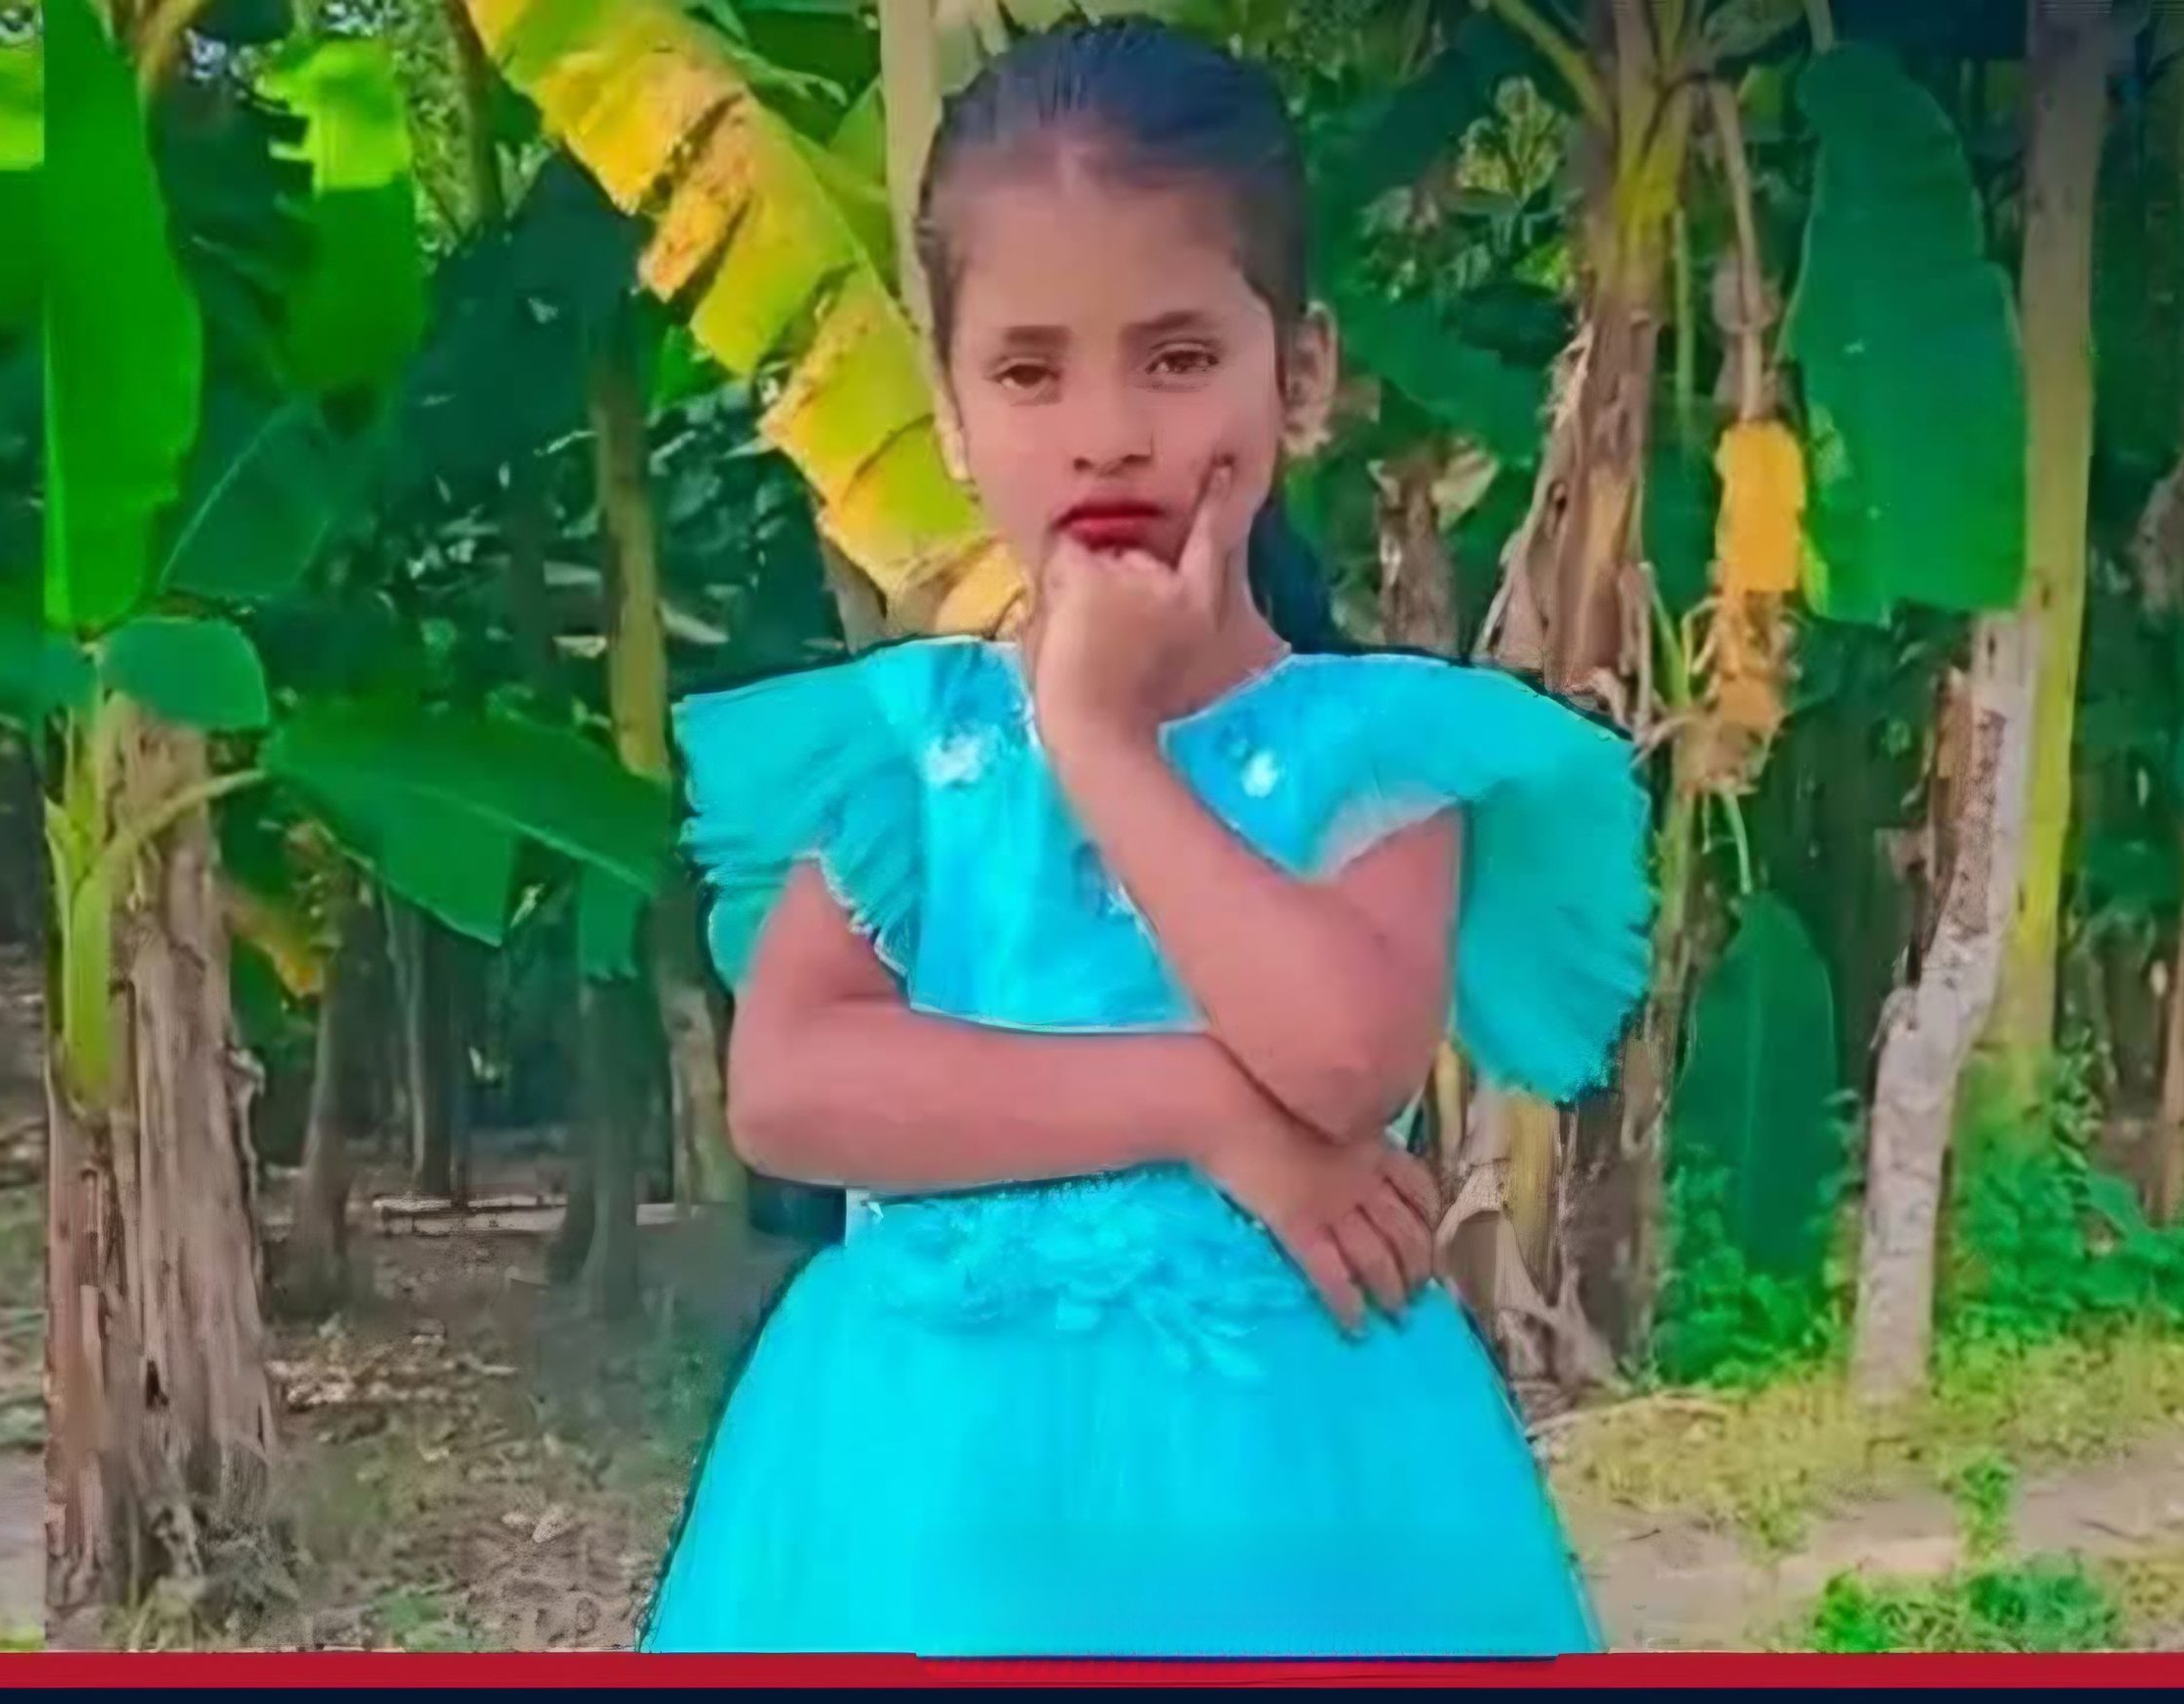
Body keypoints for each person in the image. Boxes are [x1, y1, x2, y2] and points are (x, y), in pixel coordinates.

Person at [639, 18, 1652, 1657]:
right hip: (922, 1506)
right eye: (1028, 371)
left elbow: (1345, 1059)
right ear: (950, 410)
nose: (1105, 429)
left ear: (1297, 378)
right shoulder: (923, 750)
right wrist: (1195, 1104)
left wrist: (1104, 744)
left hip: (1296, 1504)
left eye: (1177, 358)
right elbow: (793, 1087)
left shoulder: (1377, 748)